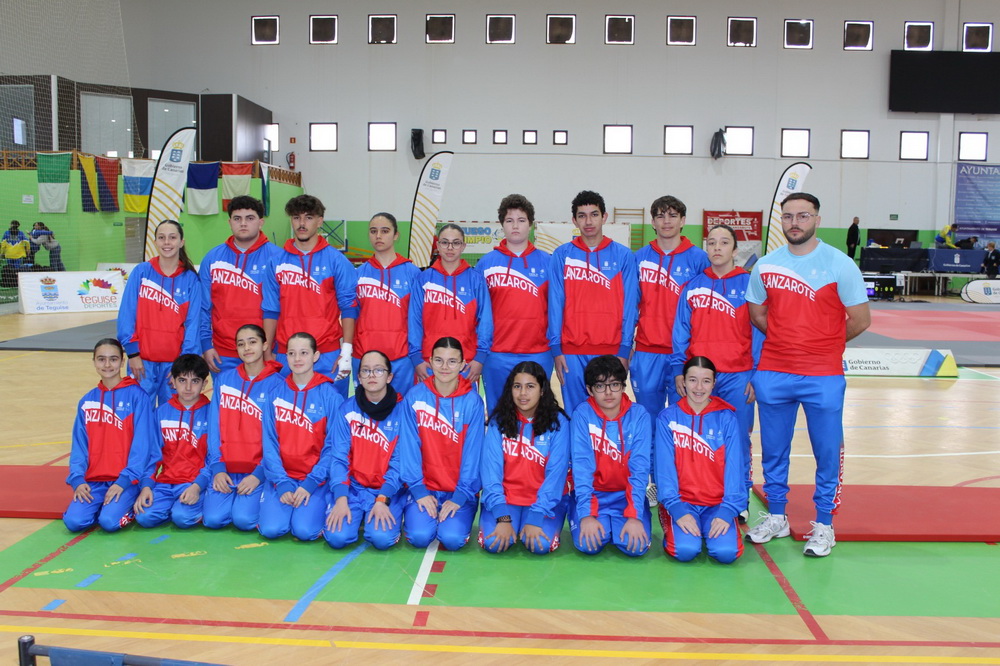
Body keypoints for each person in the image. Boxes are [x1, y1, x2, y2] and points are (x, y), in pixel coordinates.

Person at [746, 192, 871, 558]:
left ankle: (825, 524)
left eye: (803, 216)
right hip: (774, 372)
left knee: (827, 452)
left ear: (817, 218)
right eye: (788, 217)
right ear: (780, 221)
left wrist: (823, 345)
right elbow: (757, 315)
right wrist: (788, 343)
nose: (794, 223)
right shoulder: (766, 265)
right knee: (773, 452)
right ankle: (778, 516)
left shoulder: (840, 264)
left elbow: (861, 320)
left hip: (823, 374)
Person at [671, 224, 763, 516]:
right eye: (711, 243)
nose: (717, 248)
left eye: (724, 243)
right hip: (700, 379)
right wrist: (678, 369)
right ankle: (697, 494)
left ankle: (740, 498)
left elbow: (760, 333)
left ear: (735, 250)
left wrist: (757, 373)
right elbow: (681, 332)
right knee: (697, 439)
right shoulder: (693, 286)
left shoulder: (749, 286)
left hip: (738, 376)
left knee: (738, 438)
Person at [549, 190, 639, 410]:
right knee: (575, 413)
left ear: (604, 217)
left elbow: (630, 307)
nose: (588, 221)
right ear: (574, 220)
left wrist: (625, 349)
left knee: (607, 414)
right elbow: (554, 304)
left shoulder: (623, 256)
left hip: (610, 350)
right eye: (582, 215)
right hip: (571, 351)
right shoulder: (562, 255)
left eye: (594, 214)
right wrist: (556, 348)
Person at [262, 194, 357, 398]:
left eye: (308, 217)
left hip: (327, 354)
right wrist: (267, 349)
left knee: (331, 416)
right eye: (296, 217)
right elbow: (271, 309)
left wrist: (347, 350)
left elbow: (349, 307)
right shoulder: (276, 262)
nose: (302, 223)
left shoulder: (337, 261)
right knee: (288, 416)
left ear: (320, 221)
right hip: (286, 353)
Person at [655, 356, 744, 564]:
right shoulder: (668, 418)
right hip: (682, 502)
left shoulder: (727, 418)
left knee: (726, 553)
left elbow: (734, 469)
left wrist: (727, 510)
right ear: (683, 381)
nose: (699, 387)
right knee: (685, 550)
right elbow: (664, 468)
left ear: (714, 383)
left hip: (717, 503)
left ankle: (723, 523)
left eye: (706, 381)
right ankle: (672, 517)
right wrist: (675, 507)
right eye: (693, 379)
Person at [400, 337, 485, 551]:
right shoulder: (415, 396)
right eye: (439, 360)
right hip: (424, 486)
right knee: (420, 537)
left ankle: (458, 511)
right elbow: (408, 447)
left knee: (452, 539)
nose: (445, 367)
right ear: (429, 362)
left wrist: (460, 496)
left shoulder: (473, 402)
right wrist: (419, 489)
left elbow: (473, 454)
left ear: (463, 364)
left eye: (452, 361)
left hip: (459, 490)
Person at [64, 338, 157, 532]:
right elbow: (79, 446)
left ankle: (126, 506)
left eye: (113, 359)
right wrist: (78, 480)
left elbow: (143, 447)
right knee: (73, 522)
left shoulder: (138, 397)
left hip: (126, 481)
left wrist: (124, 481)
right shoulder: (86, 401)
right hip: (94, 482)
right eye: (101, 359)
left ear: (122, 362)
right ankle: (102, 506)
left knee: (109, 522)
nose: (107, 365)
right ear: (94, 362)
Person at [479, 361, 570, 554]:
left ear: (542, 390)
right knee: (494, 543)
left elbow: (556, 474)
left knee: (539, 546)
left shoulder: (558, 423)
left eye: (530, 387)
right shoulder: (498, 422)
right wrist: (502, 516)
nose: (522, 394)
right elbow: (491, 472)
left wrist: (537, 516)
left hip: (543, 500)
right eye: (517, 386)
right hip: (506, 498)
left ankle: (534, 520)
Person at [259, 332, 343, 540]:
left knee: (304, 531)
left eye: (304, 353)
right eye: (291, 353)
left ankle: (321, 502)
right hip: (282, 478)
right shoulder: (275, 393)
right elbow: (269, 443)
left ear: (316, 356)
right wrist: (282, 482)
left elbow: (334, 447)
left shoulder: (331, 396)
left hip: (316, 480)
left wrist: (311, 482)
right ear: (285, 357)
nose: (297, 359)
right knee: (272, 529)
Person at [475, 195, 555, 411]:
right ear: (502, 225)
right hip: (497, 353)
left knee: (536, 414)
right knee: (498, 412)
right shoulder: (486, 264)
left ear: (530, 224)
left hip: (539, 352)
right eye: (509, 220)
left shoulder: (548, 262)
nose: (515, 226)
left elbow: (557, 310)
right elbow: (478, 313)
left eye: (521, 220)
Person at [632, 195, 709, 416]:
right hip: (647, 351)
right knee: (648, 418)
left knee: (682, 419)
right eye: (660, 216)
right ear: (653, 222)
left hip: (685, 353)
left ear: (683, 220)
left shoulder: (699, 259)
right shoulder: (639, 258)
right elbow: (630, 307)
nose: (666, 221)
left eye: (673, 215)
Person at [202, 324, 285, 531]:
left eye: (252, 342)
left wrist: (259, 474)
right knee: (212, 519)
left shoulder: (278, 385)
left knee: (243, 520)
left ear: (265, 345)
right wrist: (217, 468)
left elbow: (279, 439)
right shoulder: (224, 380)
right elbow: (214, 429)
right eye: (241, 344)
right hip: (226, 469)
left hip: (257, 471)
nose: (247, 348)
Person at [569, 355, 651, 556]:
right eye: (600, 386)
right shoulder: (582, 415)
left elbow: (639, 469)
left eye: (614, 384)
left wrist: (633, 516)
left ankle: (634, 514)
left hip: (625, 496)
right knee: (588, 545)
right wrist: (587, 515)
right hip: (594, 494)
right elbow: (582, 467)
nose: (608, 392)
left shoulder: (639, 415)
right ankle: (581, 511)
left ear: (623, 386)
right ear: (589, 390)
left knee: (636, 548)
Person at [325, 350, 407, 550]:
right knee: (337, 538)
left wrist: (383, 498)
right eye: (366, 371)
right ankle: (356, 514)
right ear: (359, 376)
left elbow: (400, 462)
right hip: (353, 488)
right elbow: (339, 458)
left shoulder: (403, 412)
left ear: (389, 377)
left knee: (381, 539)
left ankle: (382, 514)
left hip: (386, 491)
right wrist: (341, 498)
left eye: (378, 370)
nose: (372, 375)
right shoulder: (347, 409)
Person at [117, 220, 202, 406]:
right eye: (161, 238)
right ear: (155, 242)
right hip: (142, 363)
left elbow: (193, 325)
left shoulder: (191, 280)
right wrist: (132, 354)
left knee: (169, 420)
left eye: (172, 237)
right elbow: (126, 315)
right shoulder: (141, 272)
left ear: (181, 242)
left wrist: (183, 365)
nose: (167, 242)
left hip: (173, 367)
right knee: (139, 417)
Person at [199, 196, 280, 377]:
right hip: (222, 352)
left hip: (264, 351)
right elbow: (203, 308)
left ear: (261, 222)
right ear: (229, 222)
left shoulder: (278, 258)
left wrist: (271, 348)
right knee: (226, 404)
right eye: (237, 218)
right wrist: (206, 344)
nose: (243, 224)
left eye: (249, 218)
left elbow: (284, 309)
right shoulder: (212, 259)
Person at [133, 354, 211, 529]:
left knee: (182, 518)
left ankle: (193, 505)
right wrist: (146, 486)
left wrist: (198, 486)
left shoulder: (212, 413)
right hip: (165, 483)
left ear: (205, 384)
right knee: (144, 517)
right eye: (182, 380)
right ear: (173, 382)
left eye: (195, 381)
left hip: (194, 483)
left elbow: (214, 458)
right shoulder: (161, 413)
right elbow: (152, 456)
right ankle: (170, 506)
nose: (188, 387)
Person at [408, 224, 492, 385]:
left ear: (463, 246)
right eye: (445, 242)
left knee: (463, 408)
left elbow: (485, 321)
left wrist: (480, 357)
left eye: (456, 243)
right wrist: (416, 357)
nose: (450, 247)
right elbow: (414, 320)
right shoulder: (424, 279)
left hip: (465, 363)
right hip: (429, 362)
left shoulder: (476, 280)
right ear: (438, 245)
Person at [352, 212, 421, 393]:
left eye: (385, 231)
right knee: (368, 415)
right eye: (373, 231)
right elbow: (351, 315)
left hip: (402, 358)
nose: (378, 236)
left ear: (396, 235)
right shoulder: (358, 274)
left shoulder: (413, 274)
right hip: (365, 357)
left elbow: (418, 319)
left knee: (402, 412)